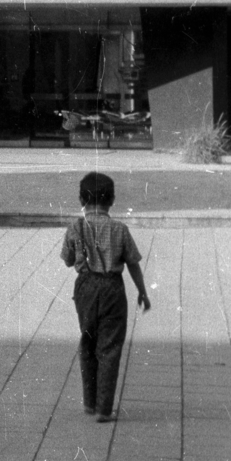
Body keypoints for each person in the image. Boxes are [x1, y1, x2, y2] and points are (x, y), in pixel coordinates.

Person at [61, 171, 151, 422]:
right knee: (109, 347)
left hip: (85, 288)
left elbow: (67, 260)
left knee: (88, 341)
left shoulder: (75, 227)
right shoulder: (119, 229)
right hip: (112, 287)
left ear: (81, 199)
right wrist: (142, 292)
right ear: (112, 200)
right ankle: (104, 408)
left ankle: (89, 403)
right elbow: (133, 263)